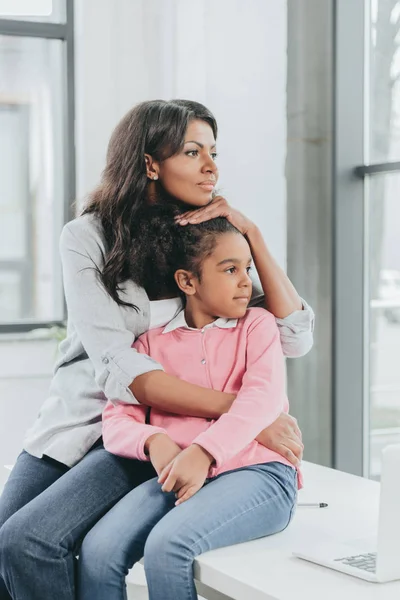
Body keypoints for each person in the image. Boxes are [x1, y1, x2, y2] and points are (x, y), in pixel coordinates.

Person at [0, 99, 314, 600]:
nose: (211, 167)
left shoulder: (203, 237)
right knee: (9, 550)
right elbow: (123, 367)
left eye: (214, 151)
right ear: (150, 163)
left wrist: (251, 233)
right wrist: (250, 413)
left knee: (28, 542)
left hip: (146, 429)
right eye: (193, 152)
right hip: (86, 417)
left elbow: (293, 336)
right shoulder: (86, 237)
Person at [78, 210, 301, 600]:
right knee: (98, 551)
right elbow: (117, 417)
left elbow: (262, 398)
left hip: (259, 473)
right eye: (230, 270)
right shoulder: (150, 344)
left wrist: (204, 452)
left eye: (246, 269)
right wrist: (153, 441)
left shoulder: (257, 326)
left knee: (167, 548)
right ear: (187, 281)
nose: (246, 282)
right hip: (178, 475)